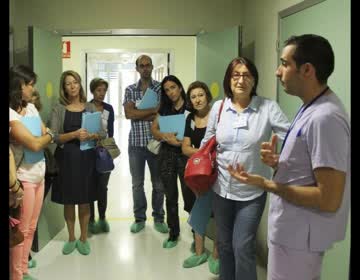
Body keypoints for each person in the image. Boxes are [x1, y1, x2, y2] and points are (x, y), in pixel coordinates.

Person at [228, 34, 350, 280]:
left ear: (306, 70)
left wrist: (266, 184)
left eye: (284, 64)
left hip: (298, 241)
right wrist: (280, 163)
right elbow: (308, 168)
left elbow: (328, 198)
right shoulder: (310, 106)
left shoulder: (325, 118)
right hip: (291, 233)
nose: (277, 71)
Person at [201, 57, 290, 280]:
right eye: (235, 75)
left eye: (246, 75)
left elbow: (292, 138)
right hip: (221, 188)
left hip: (251, 192)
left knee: (242, 246)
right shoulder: (219, 108)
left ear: (254, 80)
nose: (241, 80)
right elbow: (207, 141)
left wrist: (278, 158)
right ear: (228, 80)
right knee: (224, 244)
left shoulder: (267, 107)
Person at [50, 70, 106, 256]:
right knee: (68, 200)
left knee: (84, 199)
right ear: (63, 88)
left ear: (80, 84)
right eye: (68, 83)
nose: (72, 86)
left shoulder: (90, 107)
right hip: (66, 159)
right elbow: (54, 136)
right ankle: (71, 237)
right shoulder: (58, 108)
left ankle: (83, 238)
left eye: (75, 82)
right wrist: (74, 134)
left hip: (86, 158)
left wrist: (92, 135)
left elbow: (103, 133)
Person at [9, 65, 54, 280]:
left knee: (32, 227)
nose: (32, 89)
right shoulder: (10, 114)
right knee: (21, 231)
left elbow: (44, 133)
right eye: (29, 84)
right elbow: (36, 144)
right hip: (23, 179)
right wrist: (46, 138)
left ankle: (24, 269)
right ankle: (16, 274)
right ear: (19, 85)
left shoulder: (32, 108)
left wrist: (46, 136)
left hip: (39, 175)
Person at [123, 55, 168, 234]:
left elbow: (162, 114)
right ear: (137, 69)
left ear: (152, 67)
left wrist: (138, 111)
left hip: (156, 143)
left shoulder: (160, 88)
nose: (145, 68)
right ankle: (139, 218)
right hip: (135, 144)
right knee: (137, 184)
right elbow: (128, 115)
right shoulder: (130, 90)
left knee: (158, 184)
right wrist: (152, 110)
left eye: (148, 65)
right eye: (141, 66)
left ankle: (158, 217)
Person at [150, 75, 195, 248]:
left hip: (186, 156)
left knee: (190, 196)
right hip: (167, 155)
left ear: (180, 87)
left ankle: (195, 234)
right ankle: (173, 233)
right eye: (167, 90)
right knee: (170, 197)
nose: (170, 92)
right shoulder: (165, 108)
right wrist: (164, 137)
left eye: (173, 87)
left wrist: (184, 142)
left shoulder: (190, 106)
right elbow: (154, 129)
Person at [181, 81, 219, 274]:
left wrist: (202, 156)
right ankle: (199, 252)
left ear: (207, 96)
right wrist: (204, 155)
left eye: (200, 95)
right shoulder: (190, 120)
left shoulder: (219, 116)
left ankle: (217, 256)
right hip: (198, 175)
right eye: (193, 96)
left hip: (218, 173)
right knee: (199, 211)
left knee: (220, 214)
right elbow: (185, 147)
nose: (197, 99)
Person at [88, 78, 115, 234]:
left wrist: (111, 153)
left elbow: (111, 132)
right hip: (88, 152)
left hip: (104, 152)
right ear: (93, 91)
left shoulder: (109, 109)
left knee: (102, 187)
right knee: (90, 186)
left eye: (104, 90)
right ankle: (90, 220)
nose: (102, 93)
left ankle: (102, 218)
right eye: (99, 90)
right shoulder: (87, 107)